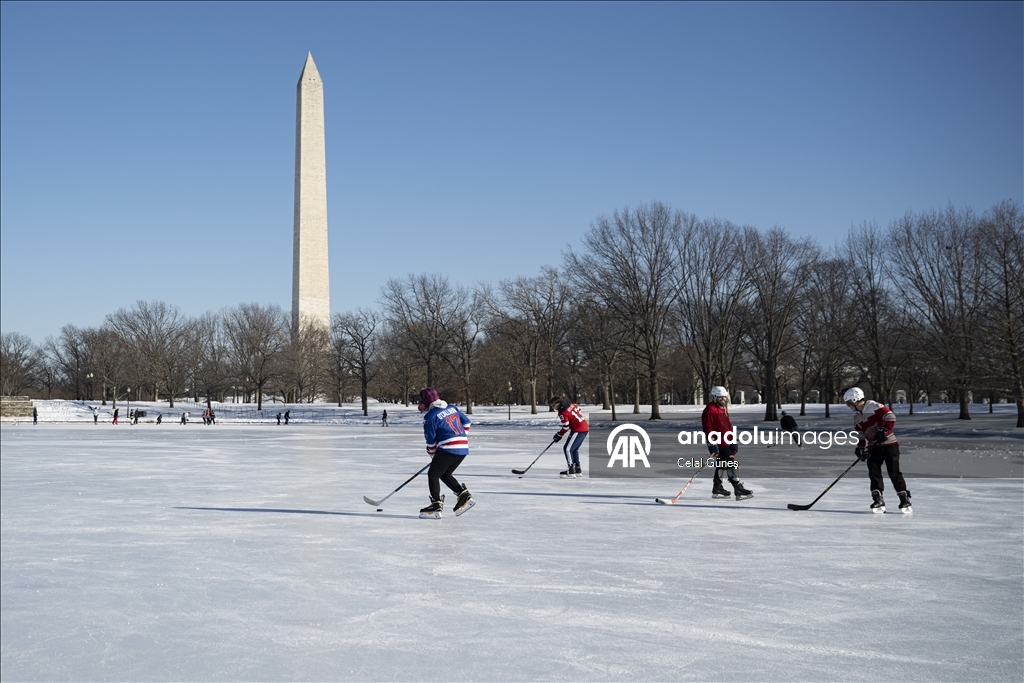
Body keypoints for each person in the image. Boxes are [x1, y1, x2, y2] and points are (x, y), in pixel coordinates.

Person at [844, 387, 912, 513]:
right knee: (874, 473)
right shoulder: (857, 418)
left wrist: (884, 430)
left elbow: (890, 417)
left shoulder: (873, 406)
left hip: (890, 445)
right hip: (873, 448)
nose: (849, 406)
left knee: (894, 472)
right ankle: (878, 499)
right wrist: (860, 448)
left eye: (849, 403)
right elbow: (861, 434)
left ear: (855, 400)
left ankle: (904, 499)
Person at [418, 387, 474, 519]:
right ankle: (463, 494)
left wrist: (432, 453)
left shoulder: (430, 417)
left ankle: (436, 504)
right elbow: (466, 422)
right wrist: (461, 437)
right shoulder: (452, 408)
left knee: (433, 474)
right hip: (463, 448)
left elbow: (431, 441)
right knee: (444, 473)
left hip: (448, 448)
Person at [701, 386, 753, 500]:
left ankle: (717, 487)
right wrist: (712, 443)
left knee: (722, 464)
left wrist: (733, 440)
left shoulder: (723, 409)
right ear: (714, 397)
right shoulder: (710, 409)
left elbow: (728, 425)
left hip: (727, 441)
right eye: (720, 398)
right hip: (718, 442)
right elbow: (707, 428)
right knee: (730, 463)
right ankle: (737, 487)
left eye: (724, 397)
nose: (723, 400)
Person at [550, 396, 589, 478]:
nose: (553, 408)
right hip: (584, 428)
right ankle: (577, 469)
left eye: (554, 405)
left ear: (558, 403)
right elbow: (578, 409)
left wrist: (559, 435)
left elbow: (566, 426)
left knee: (567, 449)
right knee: (574, 449)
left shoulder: (562, 412)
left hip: (578, 429)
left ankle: (571, 470)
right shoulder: (570, 404)